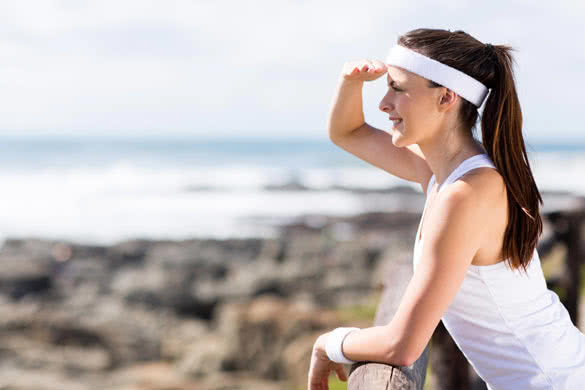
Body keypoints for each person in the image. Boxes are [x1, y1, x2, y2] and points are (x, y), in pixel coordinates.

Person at [308, 28, 585, 390]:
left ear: (446, 98)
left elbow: (403, 346)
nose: (384, 104)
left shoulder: (465, 194)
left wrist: (328, 343)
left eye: (398, 88)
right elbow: (347, 133)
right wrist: (351, 82)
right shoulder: (447, 172)